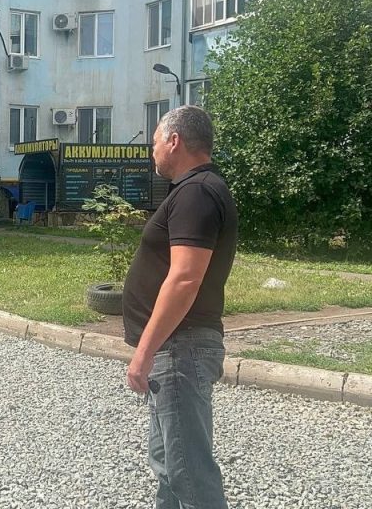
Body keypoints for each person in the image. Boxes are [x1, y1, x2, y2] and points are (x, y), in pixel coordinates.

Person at [122, 105, 238, 509]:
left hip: (180, 348)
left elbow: (185, 278)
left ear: (174, 141)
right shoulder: (196, 190)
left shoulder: (197, 192)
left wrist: (144, 352)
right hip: (175, 349)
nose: (152, 150)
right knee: (170, 467)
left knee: (189, 473)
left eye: (155, 141)